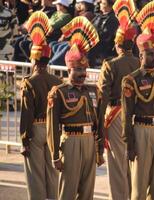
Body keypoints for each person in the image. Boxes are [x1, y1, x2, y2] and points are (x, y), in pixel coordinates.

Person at [121, 1, 154, 200]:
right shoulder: (131, 80)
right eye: (150, 54)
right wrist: (129, 144)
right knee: (139, 184)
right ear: (140, 54)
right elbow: (126, 115)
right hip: (140, 131)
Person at [46, 16, 104, 200]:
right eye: (77, 70)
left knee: (88, 189)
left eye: (84, 70)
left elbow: (99, 122)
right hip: (70, 141)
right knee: (68, 188)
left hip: (89, 142)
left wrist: (100, 149)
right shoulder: (58, 92)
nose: (82, 74)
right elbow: (52, 126)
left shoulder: (93, 91)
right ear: (68, 70)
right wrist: (55, 154)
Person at [97, 0, 140, 199]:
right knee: (133, 161)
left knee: (116, 162)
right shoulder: (140, 63)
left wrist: (99, 124)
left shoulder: (110, 65)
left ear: (117, 44)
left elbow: (102, 96)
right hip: (137, 115)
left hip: (115, 115)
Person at [19, 11, 61, 200]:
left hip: (35, 129)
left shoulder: (29, 82)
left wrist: (24, 139)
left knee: (35, 173)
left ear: (34, 60)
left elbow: (26, 113)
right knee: (52, 170)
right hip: (53, 129)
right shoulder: (57, 80)